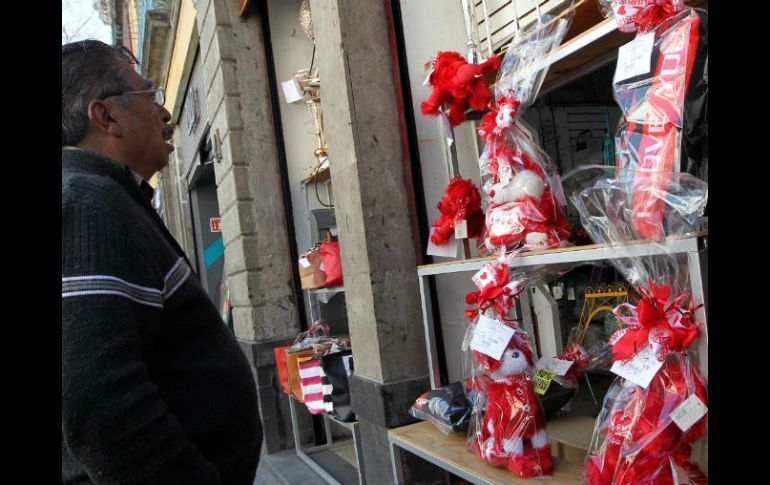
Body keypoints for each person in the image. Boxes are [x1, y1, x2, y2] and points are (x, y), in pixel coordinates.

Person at [62, 40, 262, 484]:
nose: (165, 114)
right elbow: (99, 404)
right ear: (106, 116)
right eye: (149, 95)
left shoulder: (107, 199)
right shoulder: (87, 205)